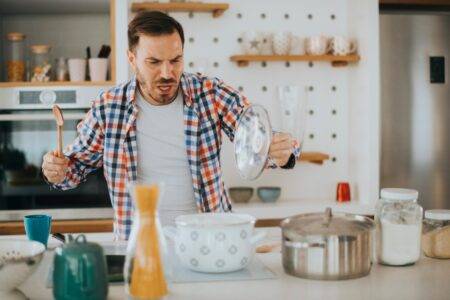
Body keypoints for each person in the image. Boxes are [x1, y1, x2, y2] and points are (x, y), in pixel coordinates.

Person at [41, 11, 300, 240]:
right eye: (154, 62)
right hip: (138, 243)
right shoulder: (108, 107)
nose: (167, 73)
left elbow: (258, 137)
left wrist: (283, 151)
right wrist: (56, 170)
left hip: (211, 239)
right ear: (132, 59)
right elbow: (74, 168)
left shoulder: (210, 94)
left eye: (175, 60)